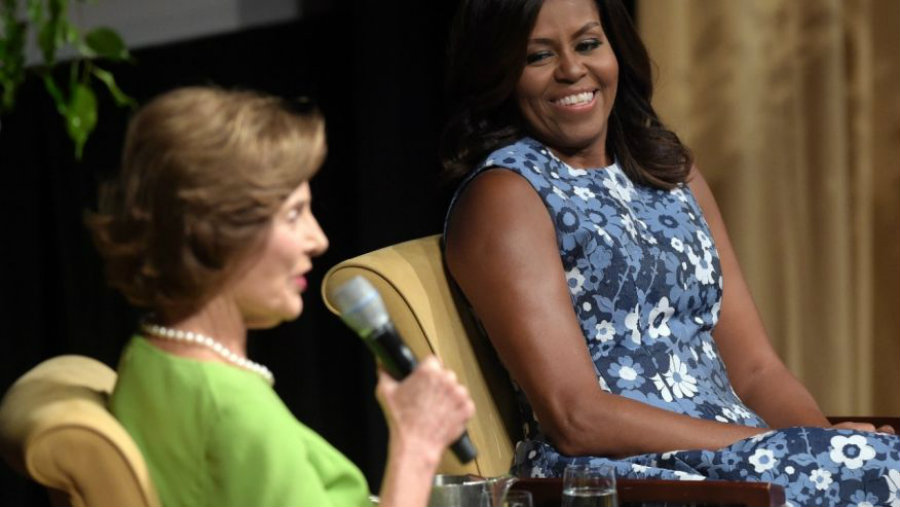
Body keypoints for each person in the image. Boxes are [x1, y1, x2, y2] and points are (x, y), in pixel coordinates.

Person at [440, 0, 900, 505]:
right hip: (619, 473)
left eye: (589, 44)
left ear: (617, 50)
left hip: (737, 456)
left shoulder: (667, 171)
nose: (573, 70)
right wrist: (784, 449)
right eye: (538, 57)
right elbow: (577, 417)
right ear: (501, 72)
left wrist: (827, 448)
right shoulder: (506, 195)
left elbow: (756, 370)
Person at [88, 86, 475, 507]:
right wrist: (417, 444)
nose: (318, 240)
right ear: (214, 236)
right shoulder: (233, 408)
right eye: (293, 215)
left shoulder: (148, 357)